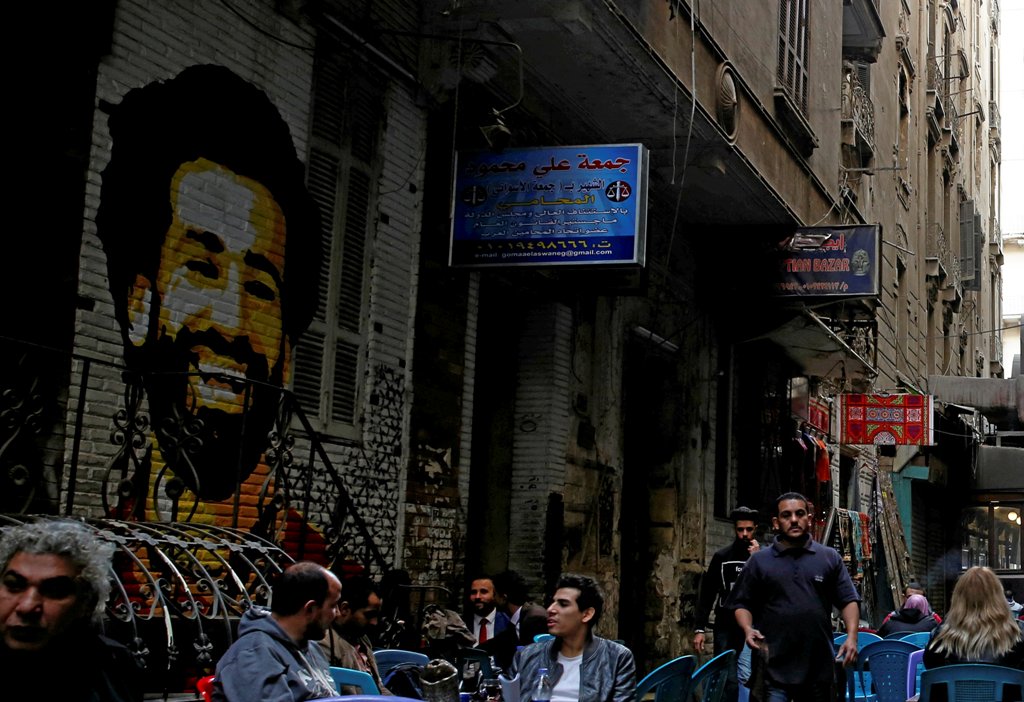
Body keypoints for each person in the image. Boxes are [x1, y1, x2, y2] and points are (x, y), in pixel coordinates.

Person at [96, 64, 321, 508]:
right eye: (201, 269)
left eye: (259, 289)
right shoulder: (99, 566)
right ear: (139, 305)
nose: (231, 321)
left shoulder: (322, 574)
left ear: (288, 355)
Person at [728, 492, 861, 702]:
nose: (793, 520)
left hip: (817, 666)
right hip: (773, 666)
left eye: (800, 514)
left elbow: (848, 600)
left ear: (809, 519)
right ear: (776, 522)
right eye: (786, 515)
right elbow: (741, 603)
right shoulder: (759, 562)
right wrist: (747, 629)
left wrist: (852, 636)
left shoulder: (829, 558)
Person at [0, 519, 143, 702]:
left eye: (54, 591)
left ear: (86, 603)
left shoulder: (113, 663)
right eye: (14, 585)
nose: (27, 606)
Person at [213, 561, 341, 701]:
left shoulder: (312, 648)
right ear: (310, 608)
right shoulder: (252, 654)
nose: (338, 614)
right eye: (333, 606)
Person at [511, 573, 636, 702]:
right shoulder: (526, 656)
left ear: (587, 614)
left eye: (563, 604)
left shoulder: (616, 657)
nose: (550, 609)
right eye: (552, 602)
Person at [693, 506, 761, 702]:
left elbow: (768, 591)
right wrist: (699, 628)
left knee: (748, 675)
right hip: (725, 626)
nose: (745, 534)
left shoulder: (762, 558)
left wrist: (756, 559)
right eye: (740, 530)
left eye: (749, 529)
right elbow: (707, 594)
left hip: (753, 626)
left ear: (755, 529)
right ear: (735, 529)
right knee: (726, 675)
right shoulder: (722, 557)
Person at [924, 566, 1024, 669]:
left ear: (958, 597)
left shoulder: (941, 636)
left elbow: (931, 672)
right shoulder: (1018, 634)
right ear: (999, 596)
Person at [319, 574, 391, 694]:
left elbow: (378, 687)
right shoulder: (325, 644)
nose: (374, 622)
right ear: (345, 609)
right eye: (369, 615)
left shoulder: (362, 639)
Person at [479, 569, 549, 671]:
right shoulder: (518, 619)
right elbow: (499, 641)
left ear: (504, 597)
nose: (493, 599)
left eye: (495, 595)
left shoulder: (534, 618)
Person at [466, 574, 512, 646]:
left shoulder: (508, 624)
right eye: (474, 592)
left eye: (483, 592)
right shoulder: (461, 624)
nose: (477, 597)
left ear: (494, 595)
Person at [877, 581, 942, 629]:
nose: (914, 600)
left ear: (924, 599)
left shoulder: (934, 619)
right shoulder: (891, 618)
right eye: (910, 597)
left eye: (918, 598)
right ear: (903, 597)